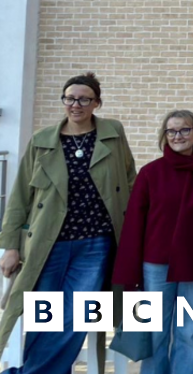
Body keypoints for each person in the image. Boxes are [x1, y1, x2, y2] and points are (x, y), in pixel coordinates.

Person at [0, 72, 137, 374]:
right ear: (63, 101)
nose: (76, 104)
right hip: (48, 243)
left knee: (77, 315)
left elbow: (129, 179)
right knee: (44, 315)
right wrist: (10, 245)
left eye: (84, 99)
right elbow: (21, 195)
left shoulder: (113, 133)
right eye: (70, 98)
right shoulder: (42, 141)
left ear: (96, 103)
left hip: (96, 242)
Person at [112, 110, 193, 374]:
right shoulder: (150, 173)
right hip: (156, 266)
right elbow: (134, 223)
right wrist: (130, 270)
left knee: (191, 332)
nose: (178, 136)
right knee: (154, 331)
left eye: (184, 130)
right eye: (171, 131)